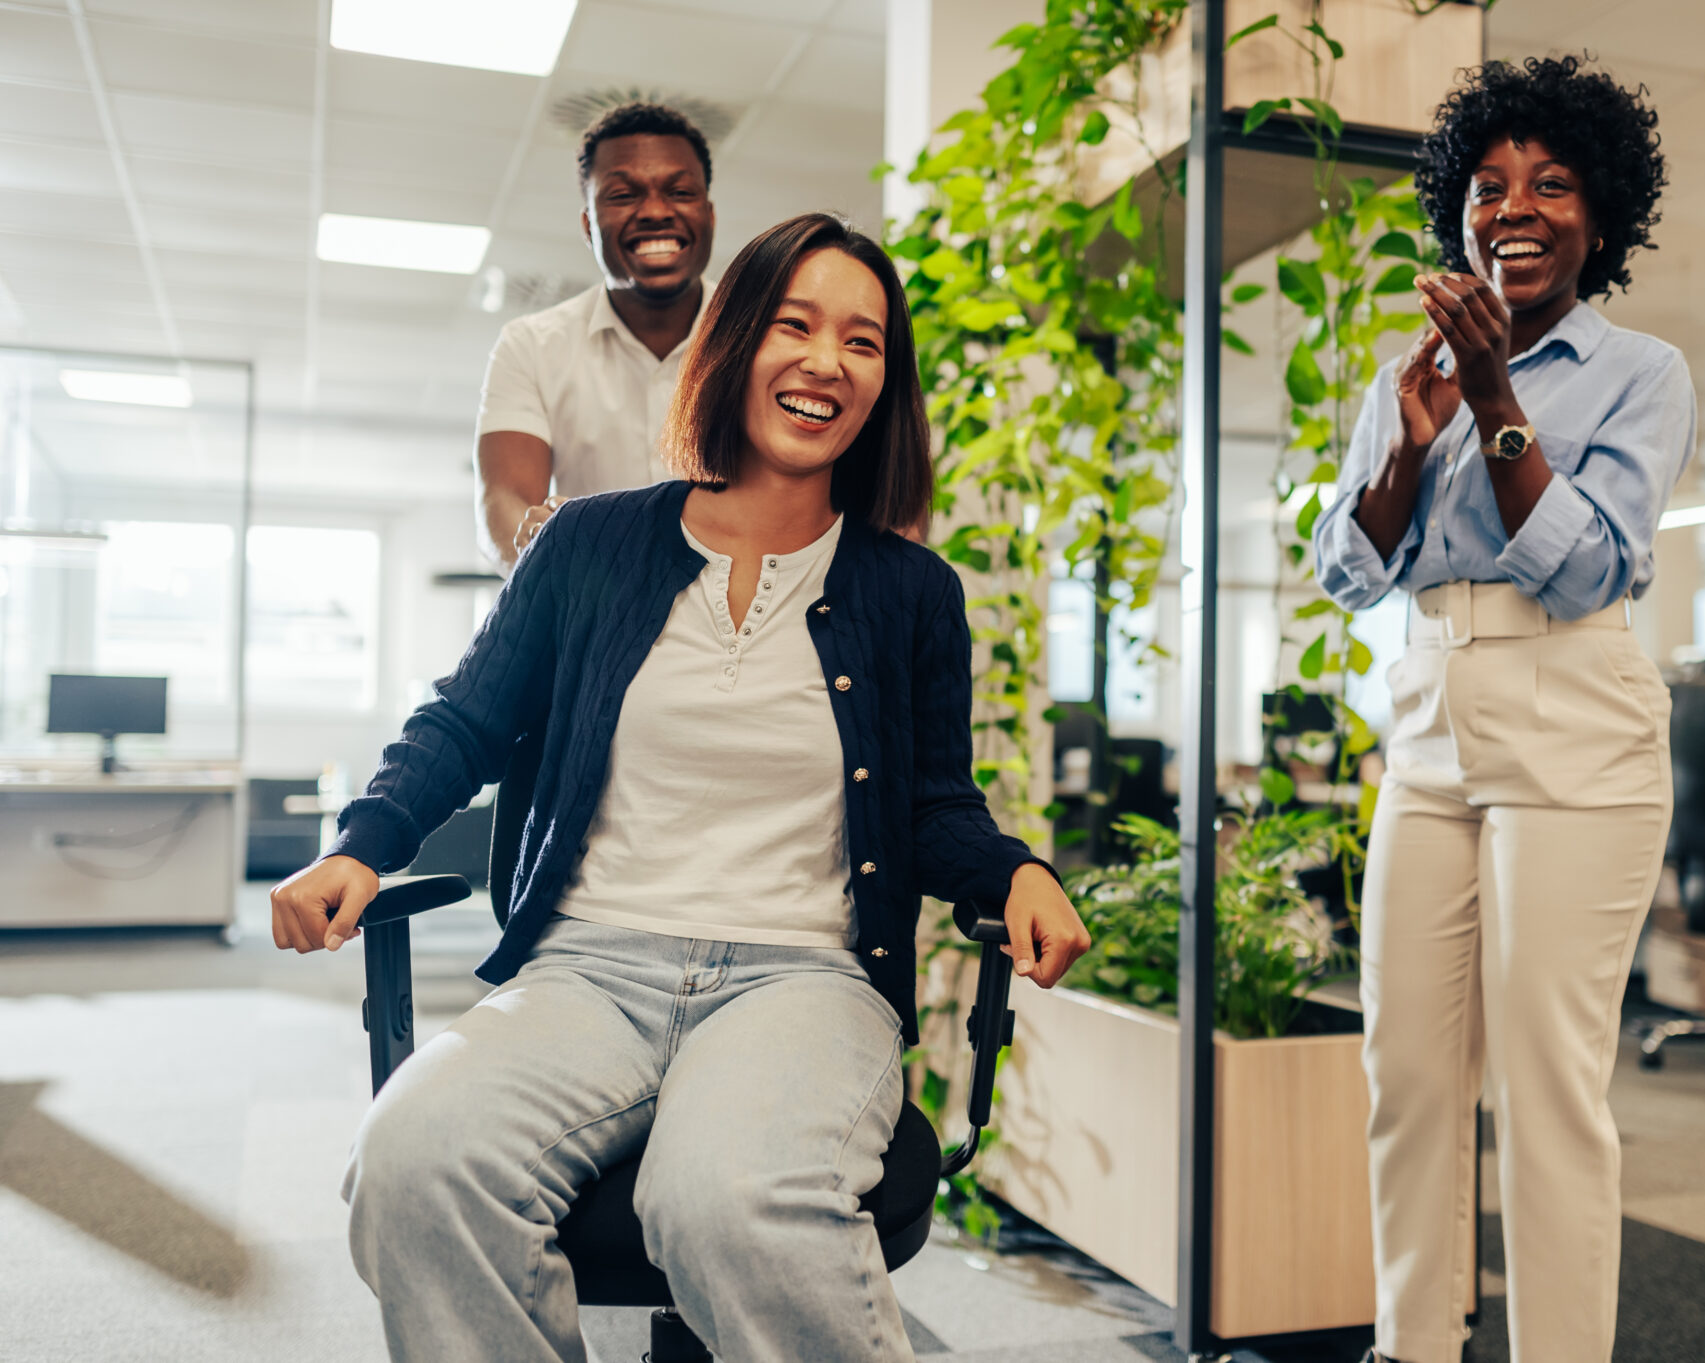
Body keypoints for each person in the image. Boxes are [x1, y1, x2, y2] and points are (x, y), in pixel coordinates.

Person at [270, 212, 1092, 1363]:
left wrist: (1014, 873)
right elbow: (466, 718)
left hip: (801, 976)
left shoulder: (910, 591)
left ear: (882, 386)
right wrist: (362, 842)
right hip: (587, 967)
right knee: (413, 1162)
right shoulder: (587, 546)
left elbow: (932, 805)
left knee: (727, 1199)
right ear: (736, 341)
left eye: (861, 342)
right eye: (794, 325)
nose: (824, 361)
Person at [1311, 56, 1693, 1363]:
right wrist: (1408, 440)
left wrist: (1492, 400)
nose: (1513, 208)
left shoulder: (1641, 372)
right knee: (1407, 1074)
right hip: (1428, 719)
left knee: (1544, 1085)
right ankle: (1411, 1342)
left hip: (1575, 716)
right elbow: (1346, 568)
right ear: (1456, 214)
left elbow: (1588, 569)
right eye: (1487, 187)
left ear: (1602, 216)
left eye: (1552, 184)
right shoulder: (1403, 373)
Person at [474, 102, 718, 572]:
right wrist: (537, 549)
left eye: (680, 192)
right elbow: (503, 501)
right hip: (591, 601)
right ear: (588, 225)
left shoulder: (764, 336)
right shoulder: (530, 345)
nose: (655, 212)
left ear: (708, 215)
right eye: (623, 195)